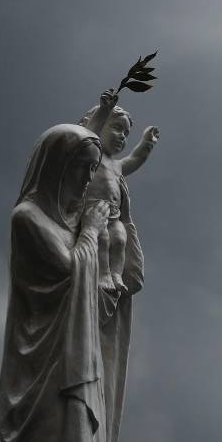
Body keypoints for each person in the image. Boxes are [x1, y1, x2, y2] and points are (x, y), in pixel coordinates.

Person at [0, 124, 113, 442]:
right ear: (57, 167)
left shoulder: (75, 226)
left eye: (92, 168)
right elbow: (68, 269)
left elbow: (95, 296)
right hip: (43, 364)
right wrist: (90, 231)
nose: (88, 178)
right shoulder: (28, 218)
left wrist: (104, 243)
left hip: (76, 353)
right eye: (80, 167)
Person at [78, 89, 160, 297]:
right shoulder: (91, 157)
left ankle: (116, 275)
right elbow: (86, 137)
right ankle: (103, 274)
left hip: (114, 214)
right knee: (103, 239)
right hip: (94, 211)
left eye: (125, 134)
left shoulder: (116, 166)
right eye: (116, 128)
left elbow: (135, 159)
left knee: (120, 239)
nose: (121, 137)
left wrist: (147, 143)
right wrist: (104, 110)